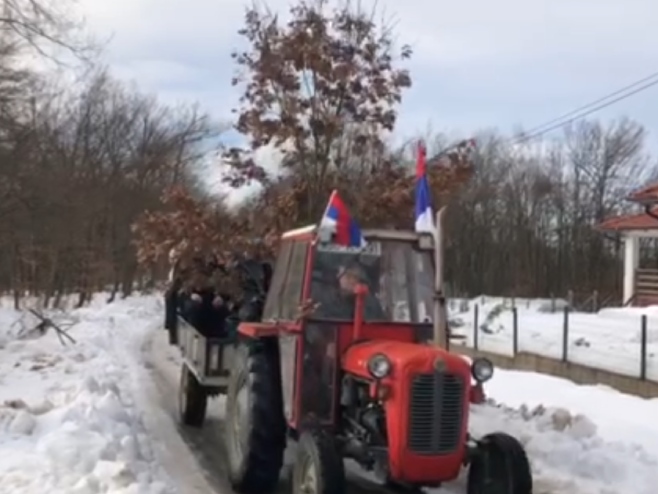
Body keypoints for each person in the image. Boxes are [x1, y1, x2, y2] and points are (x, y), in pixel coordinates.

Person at [319, 262, 387, 320]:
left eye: (355, 277)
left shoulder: (372, 304)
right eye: (348, 276)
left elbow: (379, 326)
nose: (351, 280)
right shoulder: (329, 299)